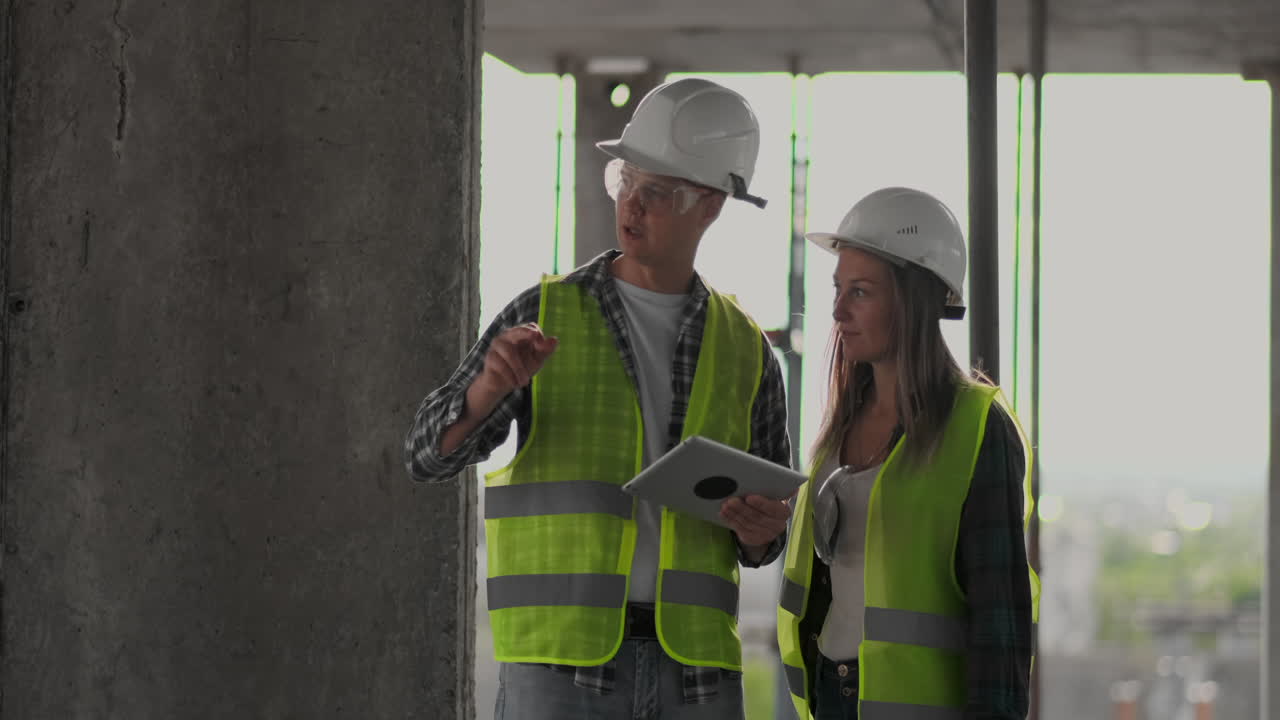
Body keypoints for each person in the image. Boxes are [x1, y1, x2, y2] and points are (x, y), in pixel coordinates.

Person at [405, 77, 793, 720]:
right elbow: (424, 456)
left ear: (711, 205)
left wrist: (762, 532)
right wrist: (488, 388)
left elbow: (766, 538)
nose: (631, 205)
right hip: (561, 668)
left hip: (696, 674)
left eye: (656, 191)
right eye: (625, 181)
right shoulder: (543, 313)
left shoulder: (747, 348)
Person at [775, 187, 1040, 720]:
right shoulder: (839, 427)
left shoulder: (978, 428)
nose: (837, 310)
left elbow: (1001, 627)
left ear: (913, 300)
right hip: (832, 698)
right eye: (838, 289)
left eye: (860, 292)